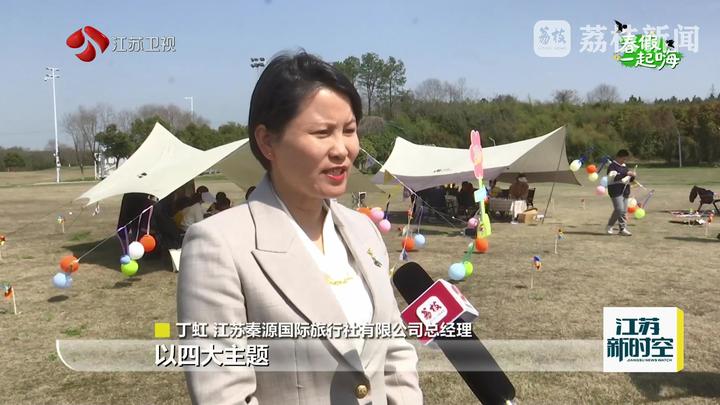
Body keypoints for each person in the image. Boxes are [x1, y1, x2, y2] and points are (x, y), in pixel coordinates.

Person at [178, 51, 422, 404]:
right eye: (322, 132)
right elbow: (223, 394)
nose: (342, 149)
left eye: (349, 130)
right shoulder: (218, 245)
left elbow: (394, 350)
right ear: (267, 142)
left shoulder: (364, 231)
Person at [606, 149, 636, 236]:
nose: (624, 161)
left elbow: (628, 179)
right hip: (615, 190)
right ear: (618, 157)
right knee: (619, 209)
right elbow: (614, 177)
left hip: (625, 190)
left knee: (624, 211)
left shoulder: (624, 166)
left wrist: (632, 176)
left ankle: (622, 229)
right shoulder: (612, 166)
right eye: (623, 158)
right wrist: (627, 173)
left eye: (625, 159)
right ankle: (610, 226)